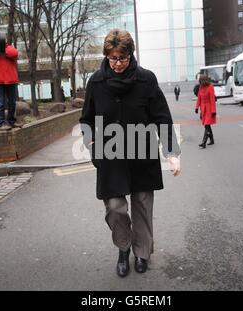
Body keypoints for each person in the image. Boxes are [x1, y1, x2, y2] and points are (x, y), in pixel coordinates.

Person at [80, 29, 181, 278]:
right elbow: (86, 120)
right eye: (112, 58)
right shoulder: (96, 82)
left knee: (142, 208)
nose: (117, 64)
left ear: (130, 55)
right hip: (110, 155)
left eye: (122, 58)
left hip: (142, 153)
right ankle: (123, 249)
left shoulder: (146, 80)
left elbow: (162, 118)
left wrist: (171, 152)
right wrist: (92, 145)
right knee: (115, 208)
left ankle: (143, 252)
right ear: (106, 56)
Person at [195, 75, 217, 149]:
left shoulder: (210, 87)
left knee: (207, 125)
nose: (200, 82)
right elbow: (199, 98)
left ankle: (203, 142)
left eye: (201, 80)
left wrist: (213, 111)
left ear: (204, 80)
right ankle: (212, 140)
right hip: (203, 109)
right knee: (206, 125)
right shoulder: (201, 87)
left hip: (209, 109)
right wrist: (196, 107)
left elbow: (212, 100)